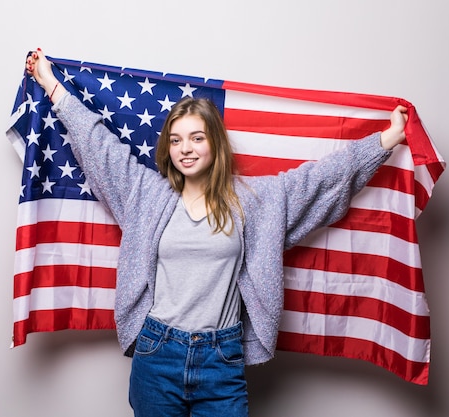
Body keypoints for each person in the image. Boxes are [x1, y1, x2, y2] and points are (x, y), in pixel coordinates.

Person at [25, 49, 408, 417]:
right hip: (158, 353)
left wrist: (386, 140)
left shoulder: (253, 202)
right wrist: (49, 82)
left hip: (222, 358)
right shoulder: (145, 194)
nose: (185, 149)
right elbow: (98, 145)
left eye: (196, 138)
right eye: (175, 140)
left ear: (215, 144)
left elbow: (320, 179)